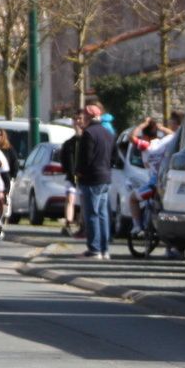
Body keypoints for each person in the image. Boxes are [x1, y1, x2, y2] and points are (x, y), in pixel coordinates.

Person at [74, 103, 115, 258]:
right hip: (105, 177)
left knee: (92, 213)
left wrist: (79, 172)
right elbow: (114, 157)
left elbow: (86, 158)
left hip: (91, 179)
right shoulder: (108, 133)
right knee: (103, 214)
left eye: (83, 115)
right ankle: (105, 249)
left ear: (89, 116)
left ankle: (94, 249)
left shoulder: (89, 134)